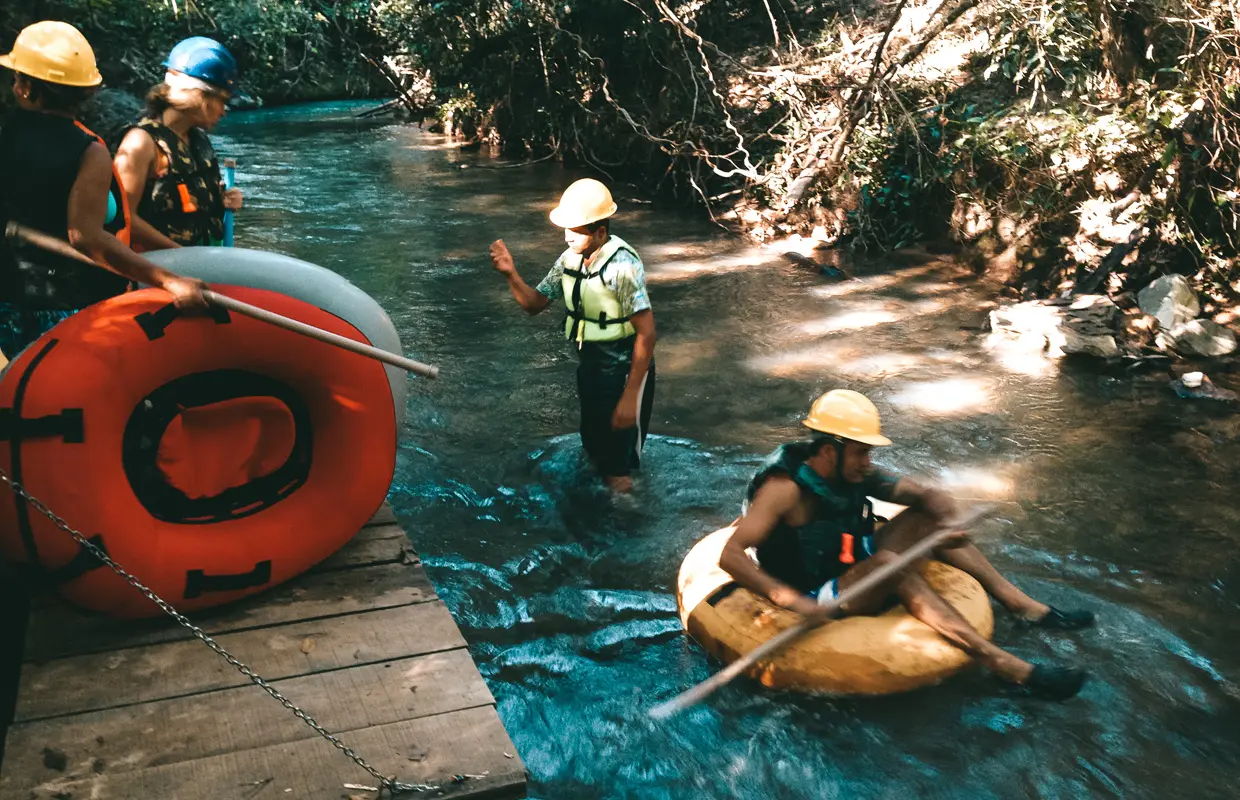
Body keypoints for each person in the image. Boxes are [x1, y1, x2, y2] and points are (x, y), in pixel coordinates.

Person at [720, 389, 1095, 700]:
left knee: (925, 520)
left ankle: (1019, 604)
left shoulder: (853, 471)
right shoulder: (784, 490)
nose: (869, 461)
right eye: (861, 451)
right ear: (830, 451)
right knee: (886, 562)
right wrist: (792, 601)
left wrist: (947, 520)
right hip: (815, 589)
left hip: (846, 559)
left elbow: (927, 496)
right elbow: (730, 555)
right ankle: (1003, 665)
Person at [0, 21, 208, 358]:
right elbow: (86, 237)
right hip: (64, 310)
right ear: (88, 91)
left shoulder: (6, 135)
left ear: (24, 87)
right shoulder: (88, 152)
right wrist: (170, 280)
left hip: (9, 303)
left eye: (16, 77)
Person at [489, 179, 656, 492]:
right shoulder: (569, 260)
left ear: (600, 232)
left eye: (575, 230)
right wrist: (511, 274)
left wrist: (630, 396)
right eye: (565, 228)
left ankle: (630, 525)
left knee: (617, 470)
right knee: (593, 451)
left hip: (624, 369)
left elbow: (647, 334)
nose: (566, 236)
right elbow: (533, 304)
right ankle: (595, 520)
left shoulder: (623, 266)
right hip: (592, 367)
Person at [113, 36, 242, 249]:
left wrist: (224, 200)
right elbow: (124, 218)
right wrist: (182, 257)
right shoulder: (140, 143)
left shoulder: (196, 140)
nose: (224, 112)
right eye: (223, 101)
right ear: (200, 95)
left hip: (202, 265)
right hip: (158, 273)